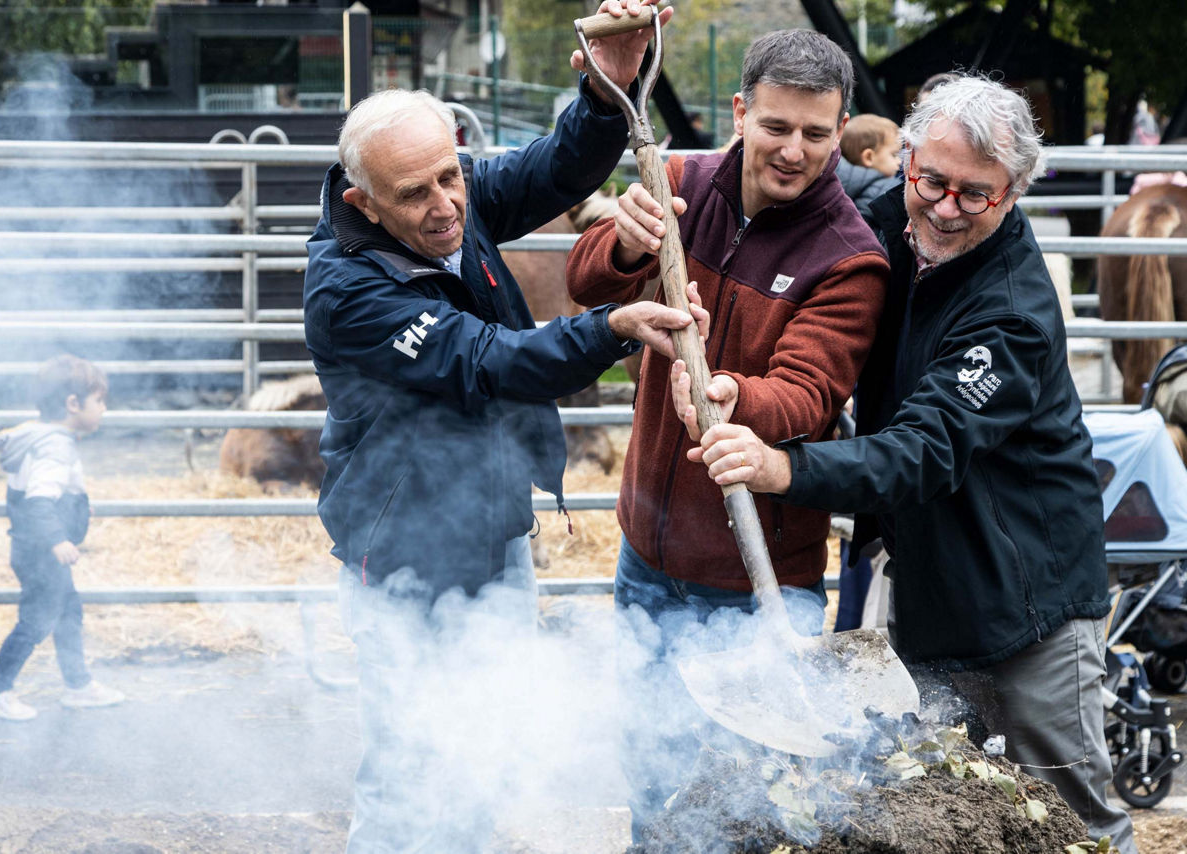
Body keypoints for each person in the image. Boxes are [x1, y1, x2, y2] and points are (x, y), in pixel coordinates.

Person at [673, 75, 1138, 853]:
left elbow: (922, 449)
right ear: (906, 159)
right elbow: (785, 170)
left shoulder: (1012, 311)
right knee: (936, 811)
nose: (947, 207)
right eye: (933, 181)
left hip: (1029, 606)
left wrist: (781, 468)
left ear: (1016, 191)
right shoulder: (885, 220)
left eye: (977, 195)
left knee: (1072, 822)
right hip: (923, 593)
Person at [302, 1, 707, 850]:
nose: (448, 205)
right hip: (404, 556)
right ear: (362, 202)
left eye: (452, 175)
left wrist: (611, 88)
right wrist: (608, 329)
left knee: (484, 748)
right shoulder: (348, 292)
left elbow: (557, 171)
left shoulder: (451, 198)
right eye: (416, 193)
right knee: (412, 765)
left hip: (496, 534)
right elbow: (483, 361)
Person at [565, 28, 888, 842]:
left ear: (840, 126)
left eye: (817, 134)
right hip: (646, 558)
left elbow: (808, 394)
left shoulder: (849, 258)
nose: (794, 151)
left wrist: (730, 393)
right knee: (650, 781)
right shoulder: (675, 183)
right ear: (742, 111)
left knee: (743, 806)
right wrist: (628, 240)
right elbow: (583, 279)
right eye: (776, 127)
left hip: (753, 587)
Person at [0, 354, 124, 722]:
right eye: (100, 401)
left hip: (35, 550)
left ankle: (78, 685)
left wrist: (77, 510)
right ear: (73, 404)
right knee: (37, 621)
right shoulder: (55, 446)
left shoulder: (41, 438)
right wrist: (58, 539)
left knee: (67, 613)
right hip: (43, 553)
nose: (104, 409)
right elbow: (38, 500)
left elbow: (49, 494)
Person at [836, 113, 900, 216]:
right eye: (894, 155)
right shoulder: (880, 192)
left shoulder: (842, 184)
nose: (899, 161)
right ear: (868, 157)